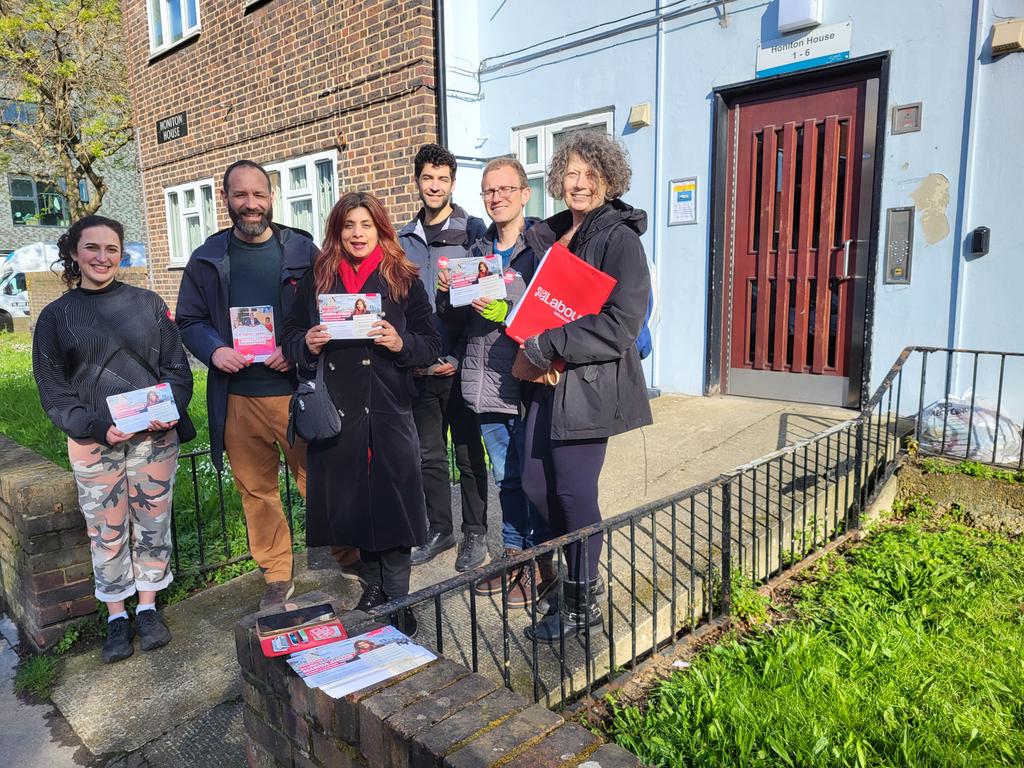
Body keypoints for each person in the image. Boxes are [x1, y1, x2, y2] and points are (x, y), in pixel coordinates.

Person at [176, 159, 358, 613]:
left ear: (271, 197)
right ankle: (277, 574)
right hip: (237, 396)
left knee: (319, 479)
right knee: (256, 491)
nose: (251, 204)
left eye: (259, 195)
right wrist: (214, 349)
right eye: (241, 195)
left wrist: (293, 346)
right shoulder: (206, 258)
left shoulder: (301, 249)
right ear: (226, 200)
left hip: (296, 391)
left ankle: (350, 554)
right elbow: (189, 319)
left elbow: (327, 308)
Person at [33, 215, 195, 664]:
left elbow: (177, 369)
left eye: (111, 249)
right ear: (74, 252)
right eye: (92, 248)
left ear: (121, 254)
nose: (103, 257)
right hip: (93, 442)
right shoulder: (56, 317)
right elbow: (53, 388)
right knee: (105, 530)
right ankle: (116, 616)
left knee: (152, 523)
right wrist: (94, 427)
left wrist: (170, 411)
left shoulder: (147, 303)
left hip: (154, 440)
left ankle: (147, 607)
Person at [284, 191, 440, 636]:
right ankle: (372, 588)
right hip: (338, 408)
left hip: (388, 407)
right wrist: (307, 344)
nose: (357, 233)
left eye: (366, 225)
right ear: (337, 231)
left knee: (394, 504)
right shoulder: (318, 279)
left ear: (380, 229)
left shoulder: (403, 277)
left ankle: (400, 597)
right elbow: (290, 337)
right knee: (354, 505)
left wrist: (400, 343)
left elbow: (430, 343)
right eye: (349, 225)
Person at [518, 132, 653, 643]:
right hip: (543, 381)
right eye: (571, 173)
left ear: (609, 179)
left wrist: (549, 338)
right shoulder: (550, 236)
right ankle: (571, 577)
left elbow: (621, 323)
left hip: (587, 385)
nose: (579, 183)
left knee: (575, 495)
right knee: (535, 484)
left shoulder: (620, 238)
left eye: (590, 174)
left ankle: (581, 604)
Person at [436, 156, 555, 608]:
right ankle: (514, 558)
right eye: (489, 191)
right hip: (486, 382)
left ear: (525, 194)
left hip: (531, 380)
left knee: (534, 478)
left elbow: (551, 312)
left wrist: (511, 313)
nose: (497, 197)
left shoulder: (541, 250)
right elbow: (451, 320)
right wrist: (447, 292)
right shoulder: (474, 254)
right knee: (506, 477)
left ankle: (543, 565)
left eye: (506, 189)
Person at [398, 144, 490, 572]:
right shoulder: (402, 242)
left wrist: (456, 355)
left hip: (461, 366)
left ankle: (475, 533)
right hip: (419, 370)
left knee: (470, 454)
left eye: (443, 179)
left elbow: (484, 299)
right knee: (428, 456)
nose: (434, 186)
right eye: (427, 178)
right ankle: (440, 529)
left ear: (453, 183)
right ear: (417, 181)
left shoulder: (473, 233)